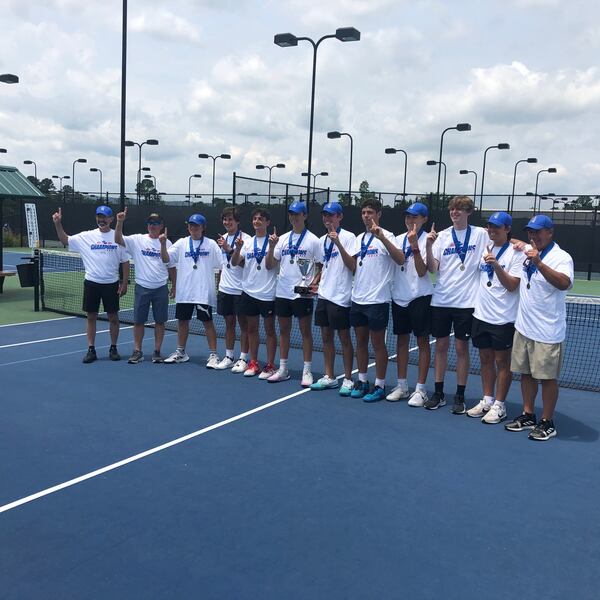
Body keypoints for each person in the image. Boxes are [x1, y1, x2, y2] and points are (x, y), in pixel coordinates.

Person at [505, 215, 573, 441]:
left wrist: (539, 263)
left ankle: (547, 421)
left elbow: (564, 283)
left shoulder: (561, 257)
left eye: (538, 231)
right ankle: (528, 414)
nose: (533, 236)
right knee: (525, 374)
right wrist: (514, 241)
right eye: (530, 232)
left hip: (547, 332)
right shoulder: (529, 249)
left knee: (547, 378)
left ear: (550, 232)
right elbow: (514, 240)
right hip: (524, 327)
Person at [425, 195, 489, 414]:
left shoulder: (481, 234)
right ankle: (439, 392)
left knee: (462, 349)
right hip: (441, 301)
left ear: (468, 212)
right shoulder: (441, 237)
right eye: (452, 209)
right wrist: (427, 246)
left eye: (459, 209)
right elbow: (433, 268)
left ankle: (460, 396)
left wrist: (520, 244)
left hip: (467, 303)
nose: (455, 212)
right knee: (440, 347)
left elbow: (503, 241)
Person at [52, 205, 129, 363]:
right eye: (99, 217)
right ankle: (91, 350)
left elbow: (125, 261)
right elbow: (65, 240)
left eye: (105, 217)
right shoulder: (85, 236)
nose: (102, 220)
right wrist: (57, 223)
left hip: (111, 284)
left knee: (113, 317)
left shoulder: (118, 237)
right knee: (91, 317)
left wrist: (125, 282)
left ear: (111, 219)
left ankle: (113, 348)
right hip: (92, 283)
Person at [466, 212, 522, 424]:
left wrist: (497, 265)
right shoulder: (485, 249)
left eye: (497, 227)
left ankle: (500, 405)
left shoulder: (517, 254)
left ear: (507, 229)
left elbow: (512, 286)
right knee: (485, 360)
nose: (492, 230)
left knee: (502, 363)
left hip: (503, 319)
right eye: (490, 226)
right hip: (481, 316)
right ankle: (487, 400)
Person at [350, 198, 405, 402]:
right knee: (361, 342)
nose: (366, 216)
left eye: (370, 212)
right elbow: (354, 266)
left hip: (378, 300)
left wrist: (381, 238)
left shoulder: (388, 235)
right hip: (358, 299)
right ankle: (362, 381)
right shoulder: (359, 238)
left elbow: (400, 259)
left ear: (379, 214)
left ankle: (380, 385)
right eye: (364, 212)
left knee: (378, 344)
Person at [265, 201, 321, 387]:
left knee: (305, 332)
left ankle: (307, 370)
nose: (294, 217)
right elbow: (270, 265)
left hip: (302, 294)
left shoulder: (314, 240)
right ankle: (283, 368)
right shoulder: (281, 239)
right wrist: (272, 247)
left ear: (304, 216)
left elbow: (322, 265)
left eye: (297, 214)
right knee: (284, 331)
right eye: (291, 214)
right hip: (283, 292)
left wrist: (314, 283)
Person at [114, 209, 176, 364]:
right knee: (138, 322)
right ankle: (137, 351)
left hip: (160, 287)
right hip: (142, 287)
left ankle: (157, 351)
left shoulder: (168, 243)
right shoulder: (137, 240)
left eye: (156, 223)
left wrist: (174, 285)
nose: (152, 226)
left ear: (161, 225)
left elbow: (171, 266)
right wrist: (120, 222)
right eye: (150, 223)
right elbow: (118, 239)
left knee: (160, 322)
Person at [387, 202, 434, 406]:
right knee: (401, 342)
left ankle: (420, 389)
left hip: (421, 297)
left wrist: (415, 246)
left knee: (423, 342)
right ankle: (402, 386)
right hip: (399, 297)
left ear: (423, 219)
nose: (410, 220)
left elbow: (424, 271)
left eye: (414, 217)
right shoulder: (397, 240)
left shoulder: (429, 241)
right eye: (407, 217)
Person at [160, 214, 222, 367]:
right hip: (185, 292)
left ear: (203, 227)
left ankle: (214, 355)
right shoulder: (181, 243)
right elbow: (166, 259)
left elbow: (222, 264)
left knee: (208, 322)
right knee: (182, 322)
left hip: (203, 292)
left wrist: (220, 284)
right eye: (191, 225)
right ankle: (181, 352)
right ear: (188, 227)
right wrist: (162, 244)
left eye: (197, 225)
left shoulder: (211, 244)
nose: (194, 228)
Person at [310, 202, 356, 395]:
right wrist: (315, 281)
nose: (327, 219)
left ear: (339, 217)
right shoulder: (321, 240)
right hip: (324, 295)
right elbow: (324, 265)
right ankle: (329, 376)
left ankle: (347, 378)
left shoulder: (349, 237)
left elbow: (352, 265)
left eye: (331, 215)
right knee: (326, 337)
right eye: (325, 215)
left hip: (341, 296)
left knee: (344, 338)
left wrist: (338, 242)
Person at [230, 208, 278, 379]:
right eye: (255, 218)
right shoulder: (247, 242)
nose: (257, 221)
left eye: (261, 219)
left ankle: (271, 365)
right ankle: (253, 362)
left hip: (267, 293)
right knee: (251, 329)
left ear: (267, 223)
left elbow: (270, 266)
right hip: (248, 292)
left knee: (269, 330)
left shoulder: (273, 242)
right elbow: (235, 262)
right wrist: (237, 249)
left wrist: (271, 247)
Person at [215, 207, 251, 373]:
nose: (227, 222)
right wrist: (219, 283)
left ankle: (243, 358)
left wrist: (230, 249)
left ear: (237, 221)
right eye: (225, 219)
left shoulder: (247, 240)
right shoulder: (222, 238)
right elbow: (224, 265)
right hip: (225, 289)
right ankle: (229, 356)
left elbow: (244, 264)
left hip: (241, 289)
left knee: (244, 326)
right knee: (229, 324)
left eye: (230, 219)